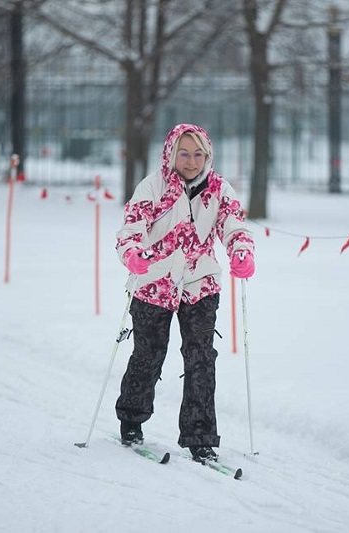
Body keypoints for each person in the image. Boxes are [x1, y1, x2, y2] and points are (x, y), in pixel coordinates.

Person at [114, 123, 255, 463]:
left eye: (198, 154)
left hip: (200, 285)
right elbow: (131, 229)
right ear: (171, 153)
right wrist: (132, 253)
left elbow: (234, 225)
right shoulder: (153, 187)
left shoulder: (219, 189)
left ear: (208, 155)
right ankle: (131, 419)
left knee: (201, 359)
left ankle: (200, 437)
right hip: (154, 283)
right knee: (148, 356)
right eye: (184, 153)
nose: (191, 161)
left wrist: (241, 251)